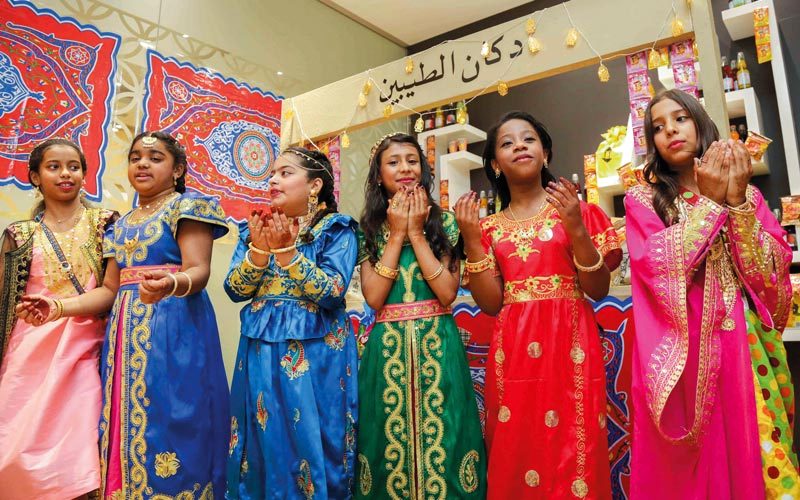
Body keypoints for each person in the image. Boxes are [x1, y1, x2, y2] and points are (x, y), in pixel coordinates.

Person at [17, 131, 230, 498]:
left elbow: (199, 271)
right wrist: (58, 307)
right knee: (124, 420)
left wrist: (170, 283)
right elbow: (109, 290)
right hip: (123, 337)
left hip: (175, 327)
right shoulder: (120, 225)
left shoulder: (187, 206)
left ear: (178, 169)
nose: (142, 164)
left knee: (176, 415)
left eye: (155, 158)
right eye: (135, 158)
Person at [625, 88, 798, 499]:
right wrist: (711, 202)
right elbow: (655, 265)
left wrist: (735, 201)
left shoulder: (748, 194)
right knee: (700, 466)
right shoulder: (644, 199)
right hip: (687, 353)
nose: (670, 131)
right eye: (658, 127)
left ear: (700, 123)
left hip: (746, 345)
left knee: (761, 451)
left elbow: (770, 273)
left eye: (680, 118)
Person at [454, 111, 621, 499]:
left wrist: (575, 227)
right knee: (517, 447)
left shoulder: (579, 212)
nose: (519, 146)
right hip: (514, 354)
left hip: (572, 346)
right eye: (507, 143)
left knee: (577, 448)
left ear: (545, 153)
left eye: (528, 139)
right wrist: (472, 239)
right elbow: (491, 303)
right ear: (495, 164)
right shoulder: (489, 228)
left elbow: (598, 288)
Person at [356, 132, 486, 499]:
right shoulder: (368, 230)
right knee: (384, 439)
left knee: (449, 430)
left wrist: (415, 233)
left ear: (424, 169)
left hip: (438, 342)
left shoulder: (445, 224)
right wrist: (396, 234)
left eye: (412, 160)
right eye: (393, 162)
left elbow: (447, 292)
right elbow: (374, 297)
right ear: (378, 175)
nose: (405, 168)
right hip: (387, 349)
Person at [224, 147, 358, 499]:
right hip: (259, 350)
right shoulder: (255, 229)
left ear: (315, 185)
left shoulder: (336, 230)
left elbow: (332, 292)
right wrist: (258, 252)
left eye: (285, 173)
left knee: (313, 434)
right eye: (272, 174)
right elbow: (235, 290)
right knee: (261, 434)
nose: (273, 180)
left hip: (315, 354)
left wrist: (287, 253)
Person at [0, 139, 117, 499]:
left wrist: (62, 308)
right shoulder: (19, 234)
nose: (66, 174)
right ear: (35, 177)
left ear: (84, 174)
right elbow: (5, 302)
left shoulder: (106, 225)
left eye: (73, 167)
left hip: (86, 347)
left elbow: (112, 290)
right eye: (54, 167)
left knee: (79, 450)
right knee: (15, 449)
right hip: (27, 353)